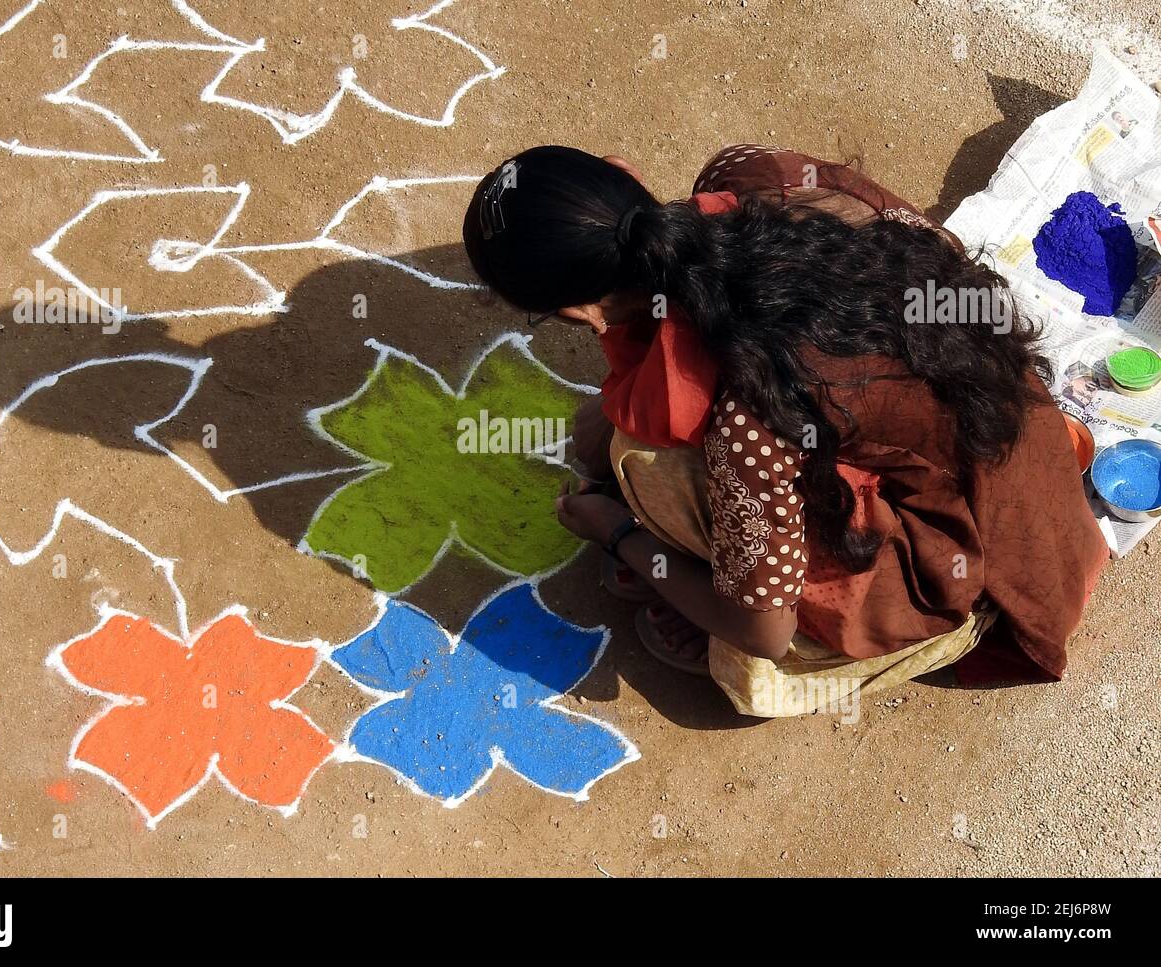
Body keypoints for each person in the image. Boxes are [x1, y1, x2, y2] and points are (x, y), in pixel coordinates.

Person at [462, 143, 1108, 717]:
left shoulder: (748, 416)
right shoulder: (759, 181)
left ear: (580, 312)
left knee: (644, 464)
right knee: (607, 434)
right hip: (1010, 422)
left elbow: (762, 631)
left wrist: (621, 533)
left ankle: (836, 627)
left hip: (990, 565)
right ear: (622, 172)